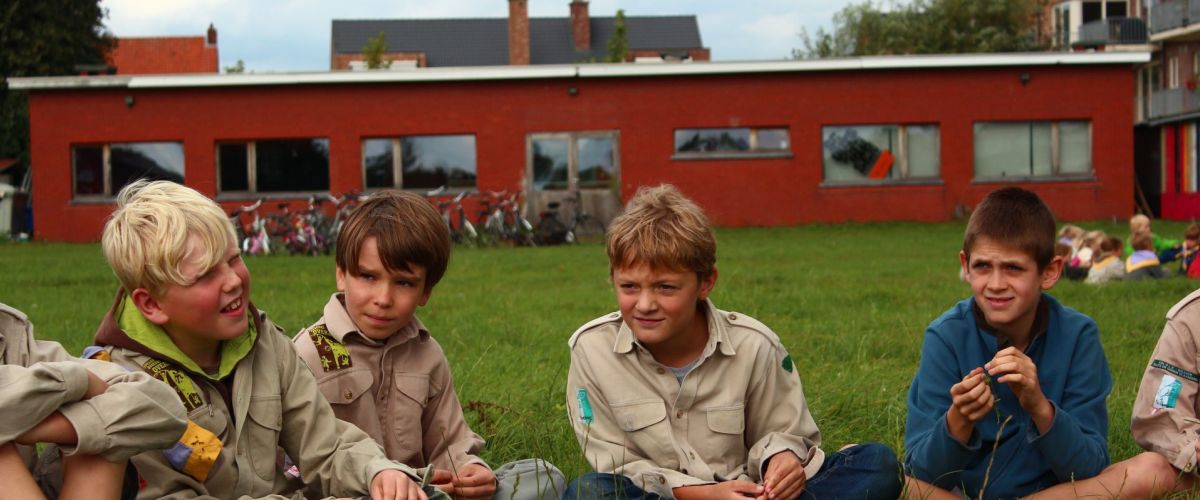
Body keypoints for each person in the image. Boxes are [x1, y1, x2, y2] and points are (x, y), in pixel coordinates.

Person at [90, 180, 427, 500]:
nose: (232, 281)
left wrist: (378, 472)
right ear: (151, 304)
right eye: (206, 275)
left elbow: (325, 443)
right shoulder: (121, 387)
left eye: (234, 259)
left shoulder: (265, 342)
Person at [564, 184, 903, 500]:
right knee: (590, 491)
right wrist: (703, 494)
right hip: (666, 496)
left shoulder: (755, 344)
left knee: (876, 463)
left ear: (705, 282)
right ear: (613, 279)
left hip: (752, 493)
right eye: (629, 287)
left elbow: (783, 430)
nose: (645, 304)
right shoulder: (591, 350)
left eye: (665, 287)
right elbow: (613, 463)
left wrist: (782, 459)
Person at [293, 190, 564, 500]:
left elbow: (449, 443)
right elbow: (292, 467)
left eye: (404, 282)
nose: (383, 299)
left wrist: (471, 471)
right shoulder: (312, 350)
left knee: (543, 477)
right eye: (368, 277)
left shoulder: (426, 353)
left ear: (426, 291)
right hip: (355, 493)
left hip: (428, 491)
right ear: (341, 275)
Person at [904, 186, 1112, 499]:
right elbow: (920, 473)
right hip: (960, 494)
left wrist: (1040, 407)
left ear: (1050, 272)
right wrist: (957, 421)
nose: (996, 284)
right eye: (983, 266)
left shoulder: (1078, 336)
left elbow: (1090, 468)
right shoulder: (945, 336)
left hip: (1054, 494)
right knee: (874, 468)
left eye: (1014, 268)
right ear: (965, 265)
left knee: (1148, 468)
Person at [0, 303, 186, 500]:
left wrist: (79, 385)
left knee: (103, 428)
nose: (224, 284)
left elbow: (165, 408)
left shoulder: (8, 333)